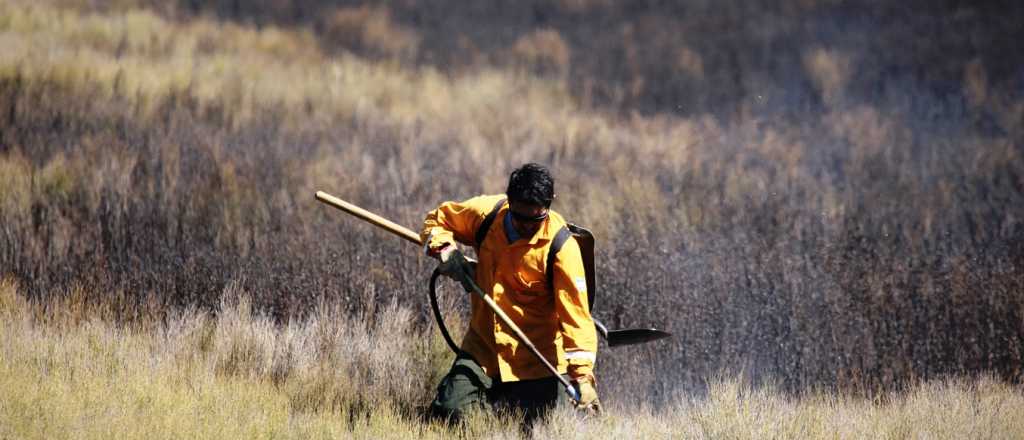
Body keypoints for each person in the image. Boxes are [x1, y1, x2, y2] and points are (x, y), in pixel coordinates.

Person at [421, 163, 600, 425]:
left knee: (536, 427)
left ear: (549, 206)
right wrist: (446, 251)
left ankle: (503, 407)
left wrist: (582, 377)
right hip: (484, 350)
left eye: (536, 220)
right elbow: (437, 220)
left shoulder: (562, 248)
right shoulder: (486, 215)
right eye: (520, 218)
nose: (528, 226)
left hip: (538, 362)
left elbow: (576, 317)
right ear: (510, 202)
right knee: (449, 413)